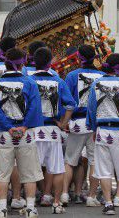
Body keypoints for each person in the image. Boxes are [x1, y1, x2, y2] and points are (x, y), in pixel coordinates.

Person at [0, 47, 44, 218]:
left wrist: (8, 126)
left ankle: (2, 208)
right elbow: (34, 107)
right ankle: (30, 208)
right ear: (22, 63)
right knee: (29, 172)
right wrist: (25, 126)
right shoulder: (29, 83)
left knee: (2, 172)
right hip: (25, 132)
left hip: (5, 133)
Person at [86, 53, 119, 216]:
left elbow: (92, 109)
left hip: (102, 130)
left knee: (103, 169)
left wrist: (94, 128)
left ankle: (108, 203)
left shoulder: (96, 84)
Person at [30, 47, 76, 213]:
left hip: (32, 130)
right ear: (50, 63)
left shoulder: (27, 80)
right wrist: (63, 123)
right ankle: (56, 202)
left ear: (34, 61)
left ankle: (30, 204)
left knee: (30, 168)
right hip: (52, 129)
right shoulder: (58, 81)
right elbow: (70, 105)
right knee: (56, 167)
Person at [62, 44, 104, 207]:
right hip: (95, 124)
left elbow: (68, 101)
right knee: (94, 161)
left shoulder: (72, 76)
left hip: (77, 122)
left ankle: (65, 193)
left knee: (70, 160)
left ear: (79, 58)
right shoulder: (101, 76)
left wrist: (65, 121)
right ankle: (92, 196)